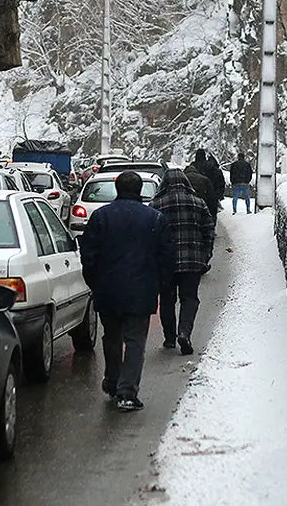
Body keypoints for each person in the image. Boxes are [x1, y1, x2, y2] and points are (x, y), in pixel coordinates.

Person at [79, 171, 172, 412]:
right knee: (134, 341)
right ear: (140, 190)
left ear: (117, 189)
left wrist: (94, 282)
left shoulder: (100, 217)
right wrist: (161, 287)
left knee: (111, 337)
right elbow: (165, 258)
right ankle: (127, 392)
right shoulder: (155, 219)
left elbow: (88, 254)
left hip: (108, 289)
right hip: (141, 290)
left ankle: (112, 381)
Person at [150, 169, 215, 355]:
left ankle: (169, 337)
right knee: (189, 298)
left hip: (166, 263)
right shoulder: (198, 202)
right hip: (192, 260)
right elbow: (208, 230)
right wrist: (205, 255)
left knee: (167, 300)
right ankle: (184, 332)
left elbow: (150, 235)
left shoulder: (156, 205)